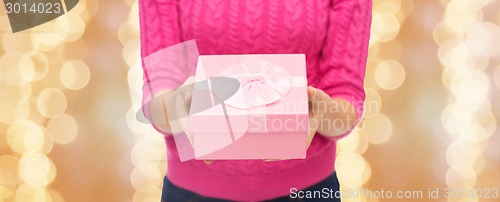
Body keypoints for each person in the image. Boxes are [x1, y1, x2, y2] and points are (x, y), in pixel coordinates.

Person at [139, 0, 372, 201]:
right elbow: (159, 89)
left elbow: (346, 96)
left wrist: (323, 111)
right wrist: (177, 106)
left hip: (309, 191)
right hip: (192, 193)